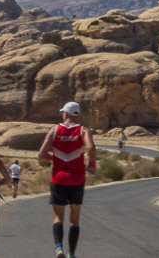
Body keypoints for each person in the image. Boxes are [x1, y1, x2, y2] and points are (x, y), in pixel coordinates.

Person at [37, 101, 96, 258]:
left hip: (58, 179)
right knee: (74, 221)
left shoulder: (55, 130)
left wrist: (56, 158)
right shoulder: (84, 130)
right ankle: (72, 253)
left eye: (63, 112)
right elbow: (91, 148)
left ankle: (58, 249)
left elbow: (41, 154)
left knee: (58, 217)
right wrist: (91, 165)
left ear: (66, 114)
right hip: (77, 180)